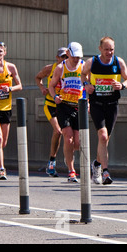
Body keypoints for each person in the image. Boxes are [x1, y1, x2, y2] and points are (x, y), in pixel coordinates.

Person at [80, 37, 127, 185]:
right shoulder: (92, 62)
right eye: (106, 49)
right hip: (97, 103)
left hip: (112, 104)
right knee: (102, 136)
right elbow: (83, 74)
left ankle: (96, 164)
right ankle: (105, 171)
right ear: (100, 49)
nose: (109, 52)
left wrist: (122, 85)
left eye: (112, 49)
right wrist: (86, 85)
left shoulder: (118, 62)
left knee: (105, 139)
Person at [48, 42, 85, 183]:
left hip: (78, 106)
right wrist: (55, 97)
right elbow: (51, 86)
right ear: (68, 53)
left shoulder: (84, 66)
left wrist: (87, 102)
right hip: (64, 106)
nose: (76, 59)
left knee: (77, 143)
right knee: (68, 138)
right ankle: (71, 171)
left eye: (78, 57)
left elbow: (88, 85)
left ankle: (68, 154)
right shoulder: (60, 68)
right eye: (74, 56)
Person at [0, 41, 22, 180]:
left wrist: (9, 89)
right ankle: (2, 169)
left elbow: (20, 85)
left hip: (6, 108)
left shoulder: (11, 67)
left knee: (2, 144)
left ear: (5, 52)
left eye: (0, 51)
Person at [35, 47, 68, 177]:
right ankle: (52, 161)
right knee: (58, 130)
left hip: (65, 105)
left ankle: (67, 156)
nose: (64, 59)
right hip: (50, 104)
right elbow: (37, 77)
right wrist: (42, 87)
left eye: (66, 57)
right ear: (57, 58)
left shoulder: (72, 69)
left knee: (68, 132)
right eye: (62, 57)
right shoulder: (50, 68)